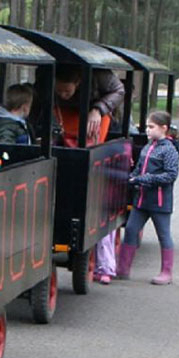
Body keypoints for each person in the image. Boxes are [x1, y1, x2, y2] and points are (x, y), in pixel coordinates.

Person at [53, 63, 125, 283]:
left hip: (95, 115)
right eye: (60, 91)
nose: (63, 95)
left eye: (67, 91)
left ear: (77, 83)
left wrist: (99, 108)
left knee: (89, 147)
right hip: (64, 117)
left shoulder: (101, 76)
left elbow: (119, 90)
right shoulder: (54, 88)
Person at [117, 111, 179, 285]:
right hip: (141, 200)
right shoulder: (148, 146)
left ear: (164, 128)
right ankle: (123, 269)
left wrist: (143, 179)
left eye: (151, 127)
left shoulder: (169, 150)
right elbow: (139, 167)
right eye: (147, 126)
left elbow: (170, 175)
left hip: (160, 202)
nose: (147, 130)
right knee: (130, 230)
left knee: (164, 235)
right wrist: (133, 178)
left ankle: (166, 272)